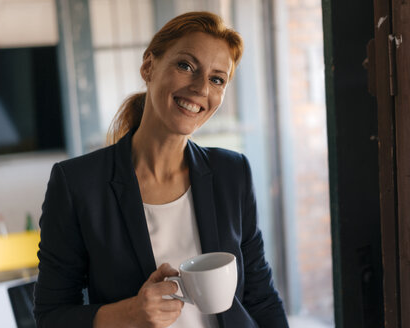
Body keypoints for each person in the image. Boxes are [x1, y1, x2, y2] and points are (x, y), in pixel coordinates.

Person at [34, 11, 289, 328]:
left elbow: (260, 296)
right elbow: (51, 316)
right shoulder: (77, 185)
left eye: (216, 79)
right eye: (186, 66)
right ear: (149, 66)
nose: (200, 88)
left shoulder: (232, 172)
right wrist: (130, 313)